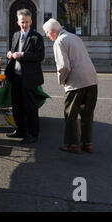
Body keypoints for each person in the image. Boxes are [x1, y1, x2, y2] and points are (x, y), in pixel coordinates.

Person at [42, 18, 98, 154]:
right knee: (87, 114)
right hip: (91, 79)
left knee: (71, 114)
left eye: (47, 34)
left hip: (76, 82)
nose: (48, 37)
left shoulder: (59, 41)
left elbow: (64, 67)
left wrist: (62, 81)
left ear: (53, 32)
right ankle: (87, 143)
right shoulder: (74, 37)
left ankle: (73, 144)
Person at [5, 9, 45, 144]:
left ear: (31, 21)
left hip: (30, 78)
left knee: (30, 107)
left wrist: (22, 55)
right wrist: (10, 54)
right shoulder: (15, 35)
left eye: (27, 22)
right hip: (16, 77)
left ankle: (33, 134)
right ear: (18, 22)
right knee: (17, 106)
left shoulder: (36, 37)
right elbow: (13, 51)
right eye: (22, 22)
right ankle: (20, 130)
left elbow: (40, 56)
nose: (25, 25)